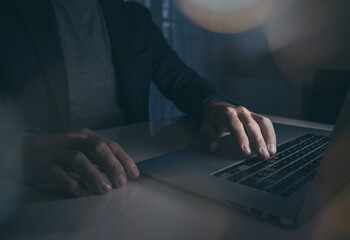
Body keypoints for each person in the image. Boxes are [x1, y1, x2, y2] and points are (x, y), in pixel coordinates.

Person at [0, 0, 276, 197]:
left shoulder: (134, 17)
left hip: (130, 174)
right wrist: (16, 149)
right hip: (40, 187)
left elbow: (181, 79)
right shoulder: (9, 12)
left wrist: (215, 104)